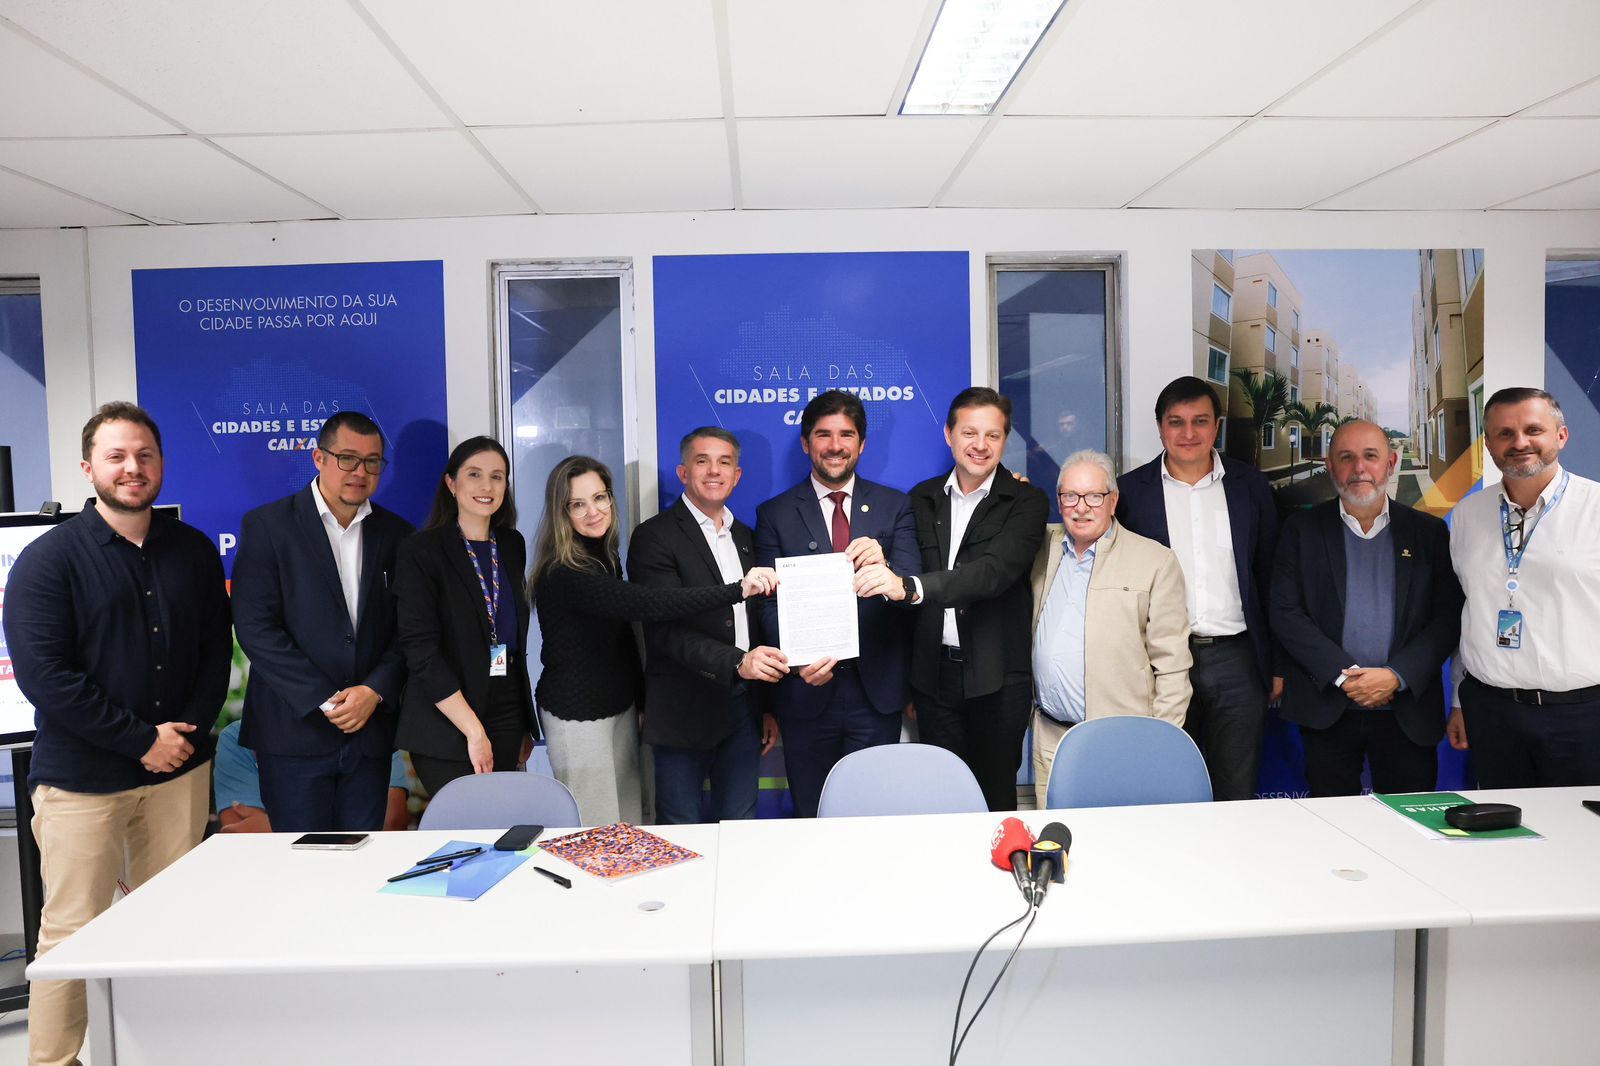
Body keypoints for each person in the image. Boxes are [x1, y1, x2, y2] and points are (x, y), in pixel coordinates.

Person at [2, 401, 231, 1066]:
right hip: (82, 779)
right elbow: (46, 678)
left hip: (178, 773)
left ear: (161, 464)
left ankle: (160, 1052)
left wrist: (181, 736)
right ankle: (54, 1061)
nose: (133, 467)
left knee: (169, 924)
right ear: (88, 468)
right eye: (117, 456)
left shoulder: (192, 550)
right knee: (72, 929)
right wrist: (141, 740)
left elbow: (216, 654)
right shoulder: (48, 561)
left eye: (144, 455)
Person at [531, 455, 776, 825]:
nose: (593, 512)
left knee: (629, 823)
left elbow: (625, 642)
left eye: (599, 498)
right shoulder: (563, 571)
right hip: (576, 713)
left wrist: (642, 700)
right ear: (560, 513)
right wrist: (737, 589)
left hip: (619, 707)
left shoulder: (604, 556)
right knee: (595, 829)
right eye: (577, 504)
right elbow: (651, 604)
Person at [853, 388, 1048, 812]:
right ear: (949, 435)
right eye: (969, 433)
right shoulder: (921, 499)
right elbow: (904, 570)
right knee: (942, 799)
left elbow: (992, 573)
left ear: (1005, 439)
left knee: (995, 800)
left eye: (993, 435)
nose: (980, 445)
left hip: (998, 681)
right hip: (933, 678)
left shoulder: (1026, 501)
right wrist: (882, 561)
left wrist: (910, 587)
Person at [230, 410, 413, 832]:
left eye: (372, 462)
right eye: (347, 458)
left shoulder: (398, 534)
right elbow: (256, 628)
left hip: (368, 733)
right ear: (319, 458)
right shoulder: (268, 525)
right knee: (301, 862)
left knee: (364, 859)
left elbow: (407, 629)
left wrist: (374, 690)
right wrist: (325, 699)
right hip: (293, 734)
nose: (360, 472)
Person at [1270, 421, 1463, 797]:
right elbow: (1284, 611)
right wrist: (1345, 677)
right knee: (1332, 821)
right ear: (1330, 466)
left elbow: (1446, 618)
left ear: (1390, 464)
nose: (1358, 468)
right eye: (1346, 457)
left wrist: (1395, 676)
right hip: (1327, 709)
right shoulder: (1300, 531)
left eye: (1370, 456)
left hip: (1407, 711)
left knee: (1408, 821)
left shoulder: (1429, 533)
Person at [753, 390, 920, 818]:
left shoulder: (896, 506)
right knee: (812, 814)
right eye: (823, 434)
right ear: (806, 443)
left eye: (846, 435)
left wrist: (886, 569)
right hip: (806, 693)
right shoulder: (774, 514)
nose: (835, 445)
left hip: (876, 694)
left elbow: (911, 596)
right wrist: (797, 663)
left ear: (862, 444)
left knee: (874, 814)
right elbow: (767, 607)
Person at [1113, 376, 1280, 800]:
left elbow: (1270, 576)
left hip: (1237, 660)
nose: (1188, 433)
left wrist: (1277, 665)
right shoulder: (1129, 493)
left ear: (1216, 426)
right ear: (1160, 428)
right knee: (1166, 784)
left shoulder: (1251, 487)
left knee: (1236, 787)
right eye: (1176, 422)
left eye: (1200, 421)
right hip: (1159, 661)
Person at [627, 428, 786, 824]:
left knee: (740, 827)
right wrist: (737, 662)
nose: (714, 471)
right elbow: (664, 632)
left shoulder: (746, 537)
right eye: (703, 461)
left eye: (724, 462)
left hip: (743, 710)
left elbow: (755, 625)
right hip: (682, 711)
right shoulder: (654, 537)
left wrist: (765, 706)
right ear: (683, 472)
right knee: (680, 831)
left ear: (737, 475)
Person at [1448, 388, 1600, 788]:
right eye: (1504, 433)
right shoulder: (1467, 514)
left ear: (1561, 436)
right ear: (1489, 445)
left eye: (1533, 430)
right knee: (1505, 822)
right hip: (1491, 712)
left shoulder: (1595, 507)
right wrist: (1460, 699)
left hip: (1581, 716)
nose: (1519, 443)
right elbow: (1468, 610)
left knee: (1577, 826)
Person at [1030, 450, 1191, 807]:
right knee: (1056, 835)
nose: (1081, 508)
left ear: (1113, 501)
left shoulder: (1155, 561)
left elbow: (1173, 666)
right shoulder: (1041, 548)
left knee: (1121, 835)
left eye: (1094, 496)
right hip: (1050, 738)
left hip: (1122, 742)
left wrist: (1162, 743)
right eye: (1070, 496)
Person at [394, 436, 536, 797]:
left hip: (505, 710)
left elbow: (507, 636)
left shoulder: (511, 544)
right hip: (447, 717)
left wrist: (523, 722)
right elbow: (421, 652)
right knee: (466, 822)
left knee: (501, 820)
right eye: (474, 474)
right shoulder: (421, 550)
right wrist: (474, 731)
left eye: (497, 476)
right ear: (451, 483)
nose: (486, 486)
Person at [213, 719, 414, 832]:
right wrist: (341, 826)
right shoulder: (238, 736)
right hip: (274, 875)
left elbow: (391, 822)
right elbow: (240, 835)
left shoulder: (371, 726)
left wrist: (282, 824)